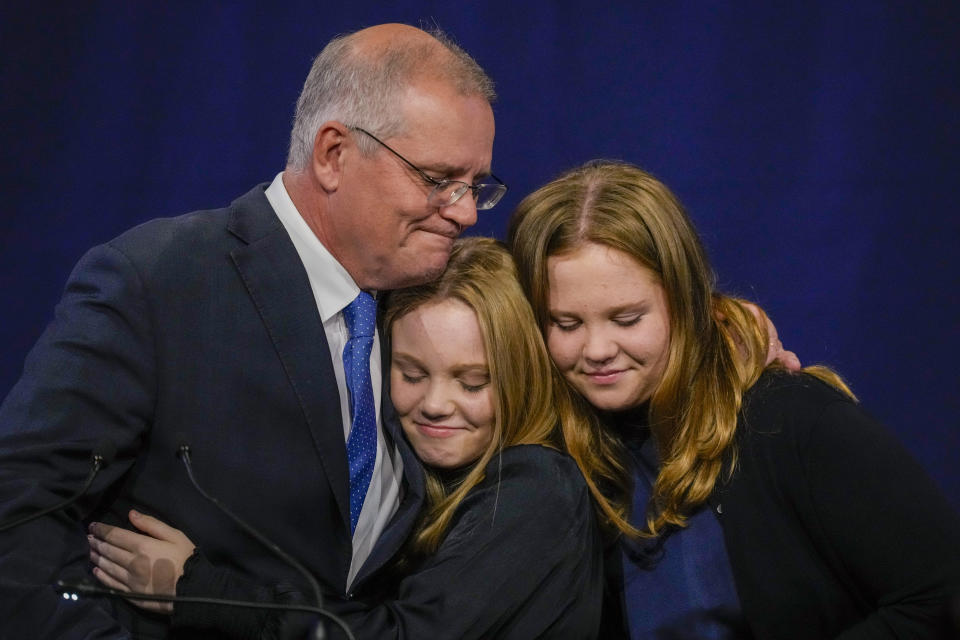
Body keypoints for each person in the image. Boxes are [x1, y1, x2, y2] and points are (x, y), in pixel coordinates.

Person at [0, 23, 504, 638]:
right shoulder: (160, 280)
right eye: (437, 179)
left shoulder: (421, 309)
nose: (466, 211)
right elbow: (20, 514)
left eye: (475, 185)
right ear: (334, 154)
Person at [507, 160, 960, 639]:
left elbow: (940, 597)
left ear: (684, 301)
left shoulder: (791, 418)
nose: (597, 351)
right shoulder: (552, 449)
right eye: (567, 324)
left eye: (627, 319)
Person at [87, 237, 605, 639]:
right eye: (411, 373)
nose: (435, 404)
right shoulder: (413, 478)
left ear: (524, 377)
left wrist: (200, 589)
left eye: (474, 382)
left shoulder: (538, 489)